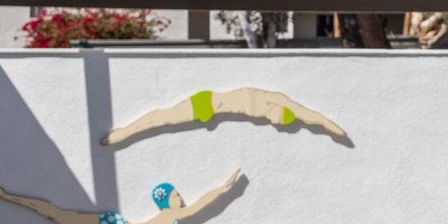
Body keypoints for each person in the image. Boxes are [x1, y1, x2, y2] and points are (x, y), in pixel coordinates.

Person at [0, 171, 243, 224]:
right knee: (52, 212)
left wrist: (222, 189)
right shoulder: (171, 216)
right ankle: (6, 196)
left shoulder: (170, 216)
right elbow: (199, 205)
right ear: (166, 201)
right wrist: (222, 189)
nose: (181, 199)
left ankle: (6, 196)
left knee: (53, 212)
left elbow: (195, 206)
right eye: (176, 196)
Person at [100, 88, 346, 147]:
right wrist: (330, 126)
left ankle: (125, 133)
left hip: (213, 110)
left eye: (277, 124)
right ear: (280, 110)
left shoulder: (279, 111)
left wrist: (332, 129)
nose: (274, 122)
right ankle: (124, 133)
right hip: (206, 103)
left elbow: (312, 119)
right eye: (277, 118)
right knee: (163, 119)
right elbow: (311, 116)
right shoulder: (277, 99)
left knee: (164, 120)